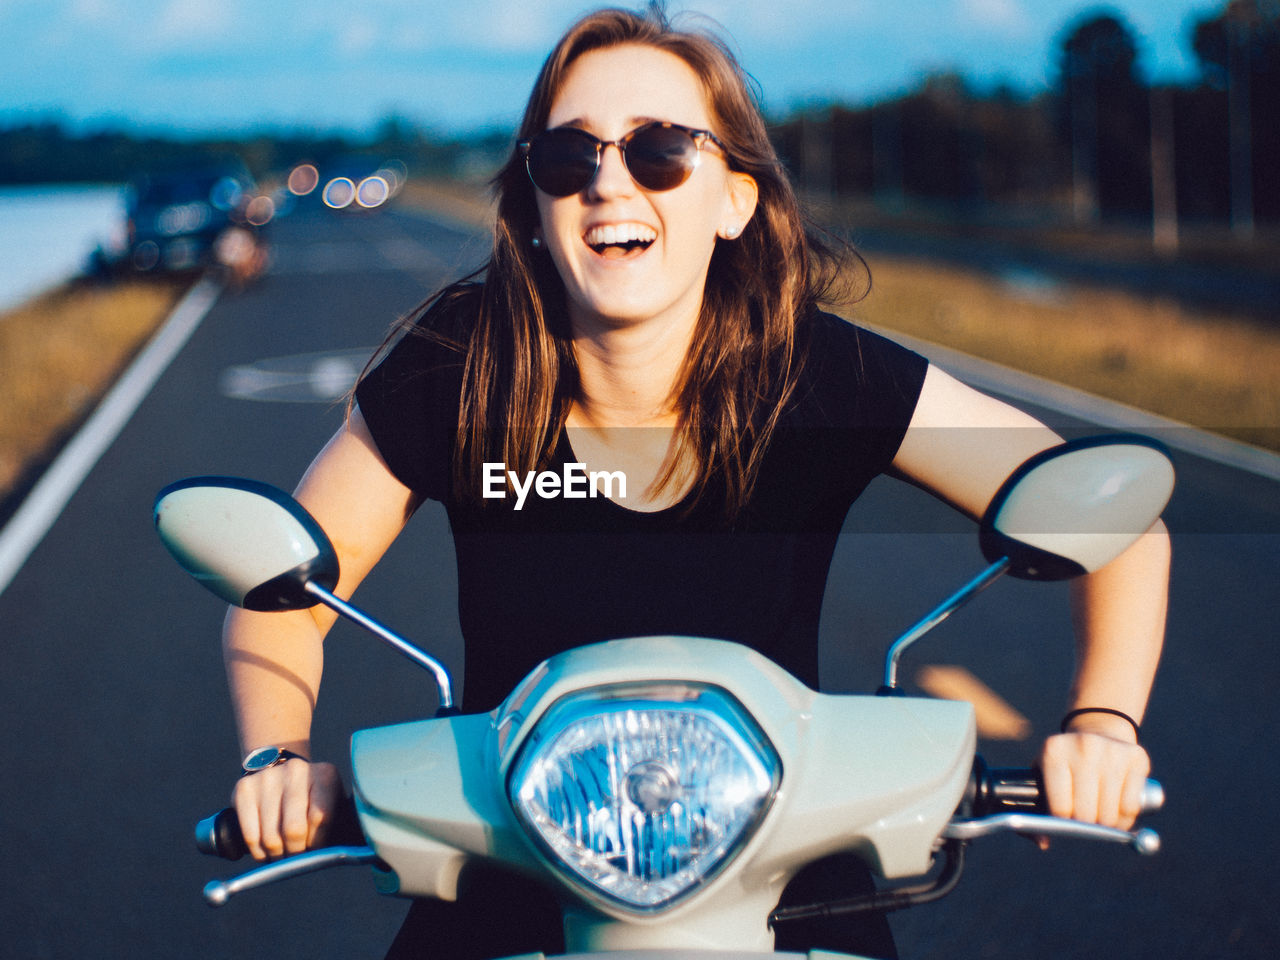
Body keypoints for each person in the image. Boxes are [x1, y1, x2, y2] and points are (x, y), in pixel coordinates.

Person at [221, 6, 1169, 959]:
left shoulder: (818, 375)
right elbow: (282, 587)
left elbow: (1115, 519)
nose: (609, 182)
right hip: (508, 887)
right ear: (536, 208)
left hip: (791, 892)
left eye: (661, 149)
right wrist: (279, 758)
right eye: (568, 156)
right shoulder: (461, 369)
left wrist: (1102, 723)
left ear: (735, 200)